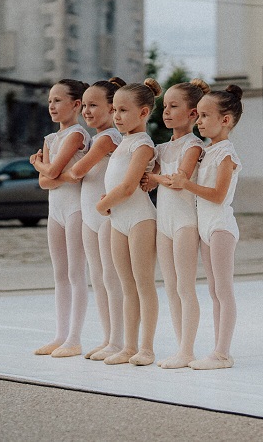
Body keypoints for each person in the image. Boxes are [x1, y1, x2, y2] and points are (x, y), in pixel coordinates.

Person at [170, 85, 243, 370]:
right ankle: (217, 349)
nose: (198, 121)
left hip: (221, 227)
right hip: (206, 226)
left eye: (204, 116)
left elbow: (218, 195)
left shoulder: (226, 154)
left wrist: (186, 183)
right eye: (197, 116)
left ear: (225, 120)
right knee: (214, 291)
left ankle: (223, 353)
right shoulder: (208, 150)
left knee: (223, 291)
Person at [141, 80, 207, 369]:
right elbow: (147, 181)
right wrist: (150, 177)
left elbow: (179, 182)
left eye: (174, 106)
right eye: (165, 106)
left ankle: (188, 349)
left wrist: (153, 177)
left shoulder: (194, 145)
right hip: (163, 222)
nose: (166, 112)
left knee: (185, 287)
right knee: (169, 286)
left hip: (184, 222)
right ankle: (182, 347)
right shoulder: (161, 147)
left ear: (193, 114)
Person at [59, 78, 125, 361]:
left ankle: (120, 340)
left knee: (112, 278)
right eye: (84, 105)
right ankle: (108, 337)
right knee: (98, 278)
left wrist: (43, 168)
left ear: (112, 108)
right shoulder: (98, 139)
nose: (86, 111)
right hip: (89, 217)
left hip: (107, 216)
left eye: (93, 105)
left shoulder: (109, 138)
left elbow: (77, 172)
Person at [96, 79, 161, 367]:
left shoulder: (144, 145)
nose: (117, 116)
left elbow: (128, 186)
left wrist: (103, 204)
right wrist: (108, 202)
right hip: (118, 221)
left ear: (144, 112)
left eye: (123, 110)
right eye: (114, 110)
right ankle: (128, 345)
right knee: (126, 286)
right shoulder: (123, 143)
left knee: (144, 284)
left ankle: (146, 348)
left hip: (140, 220)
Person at [31, 79, 91, 358]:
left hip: (76, 208)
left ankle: (75, 339)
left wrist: (36, 164)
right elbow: (45, 183)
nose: (52, 106)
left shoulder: (77, 135)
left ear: (76, 104)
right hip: (55, 209)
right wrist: (47, 173)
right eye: (49, 101)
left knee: (76, 273)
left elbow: (51, 172)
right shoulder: (50, 138)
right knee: (59, 274)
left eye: (58, 100)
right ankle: (60, 335)